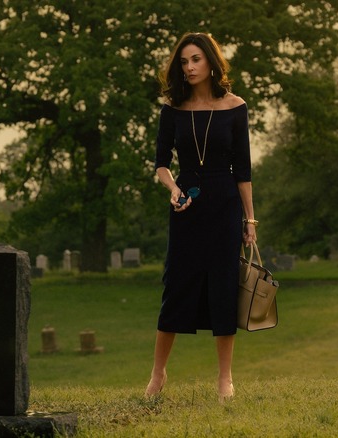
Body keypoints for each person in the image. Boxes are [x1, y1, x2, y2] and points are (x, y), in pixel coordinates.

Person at [145, 32, 257, 402]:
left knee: (225, 287)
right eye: (183, 62)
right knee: (176, 286)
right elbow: (161, 164)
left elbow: (243, 169)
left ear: (211, 61)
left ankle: (225, 379)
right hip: (186, 205)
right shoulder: (171, 110)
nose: (189, 67)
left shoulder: (237, 107)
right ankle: (158, 374)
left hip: (225, 205)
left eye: (195, 59)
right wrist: (173, 188)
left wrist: (250, 221)